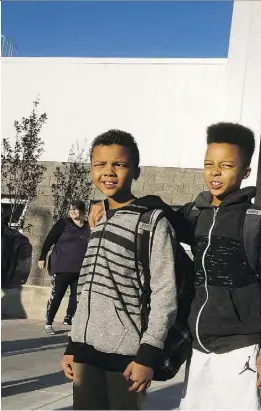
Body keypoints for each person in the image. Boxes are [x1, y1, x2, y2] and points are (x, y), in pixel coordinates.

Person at [89, 122, 261, 410]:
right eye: (209, 164)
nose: (215, 172)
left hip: (240, 346)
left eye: (226, 165)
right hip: (197, 345)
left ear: (245, 172)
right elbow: (159, 211)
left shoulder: (257, 221)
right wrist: (107, 203)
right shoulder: (195, 214)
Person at [61, 130, 178, 409]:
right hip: (86, 356)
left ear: (136, 170)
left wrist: (148, 353)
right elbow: (87, 286)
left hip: (127, 357)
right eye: (100, 164)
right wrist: (73, 345)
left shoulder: (151, 221)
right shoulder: (98, 218)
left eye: (119, 164)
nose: (108, 172)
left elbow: (165, 291)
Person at [38, 201, 90, 335]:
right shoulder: (63, 223)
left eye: (76, 209)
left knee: (76, 297)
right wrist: (42, 257)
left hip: (80, 268)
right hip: (61, 266)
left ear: (83, 211)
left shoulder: (88, 227)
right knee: (57, 295)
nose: (73, 211)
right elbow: (49, 240)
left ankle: (71, 320)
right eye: (71, 209)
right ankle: (49, 323)